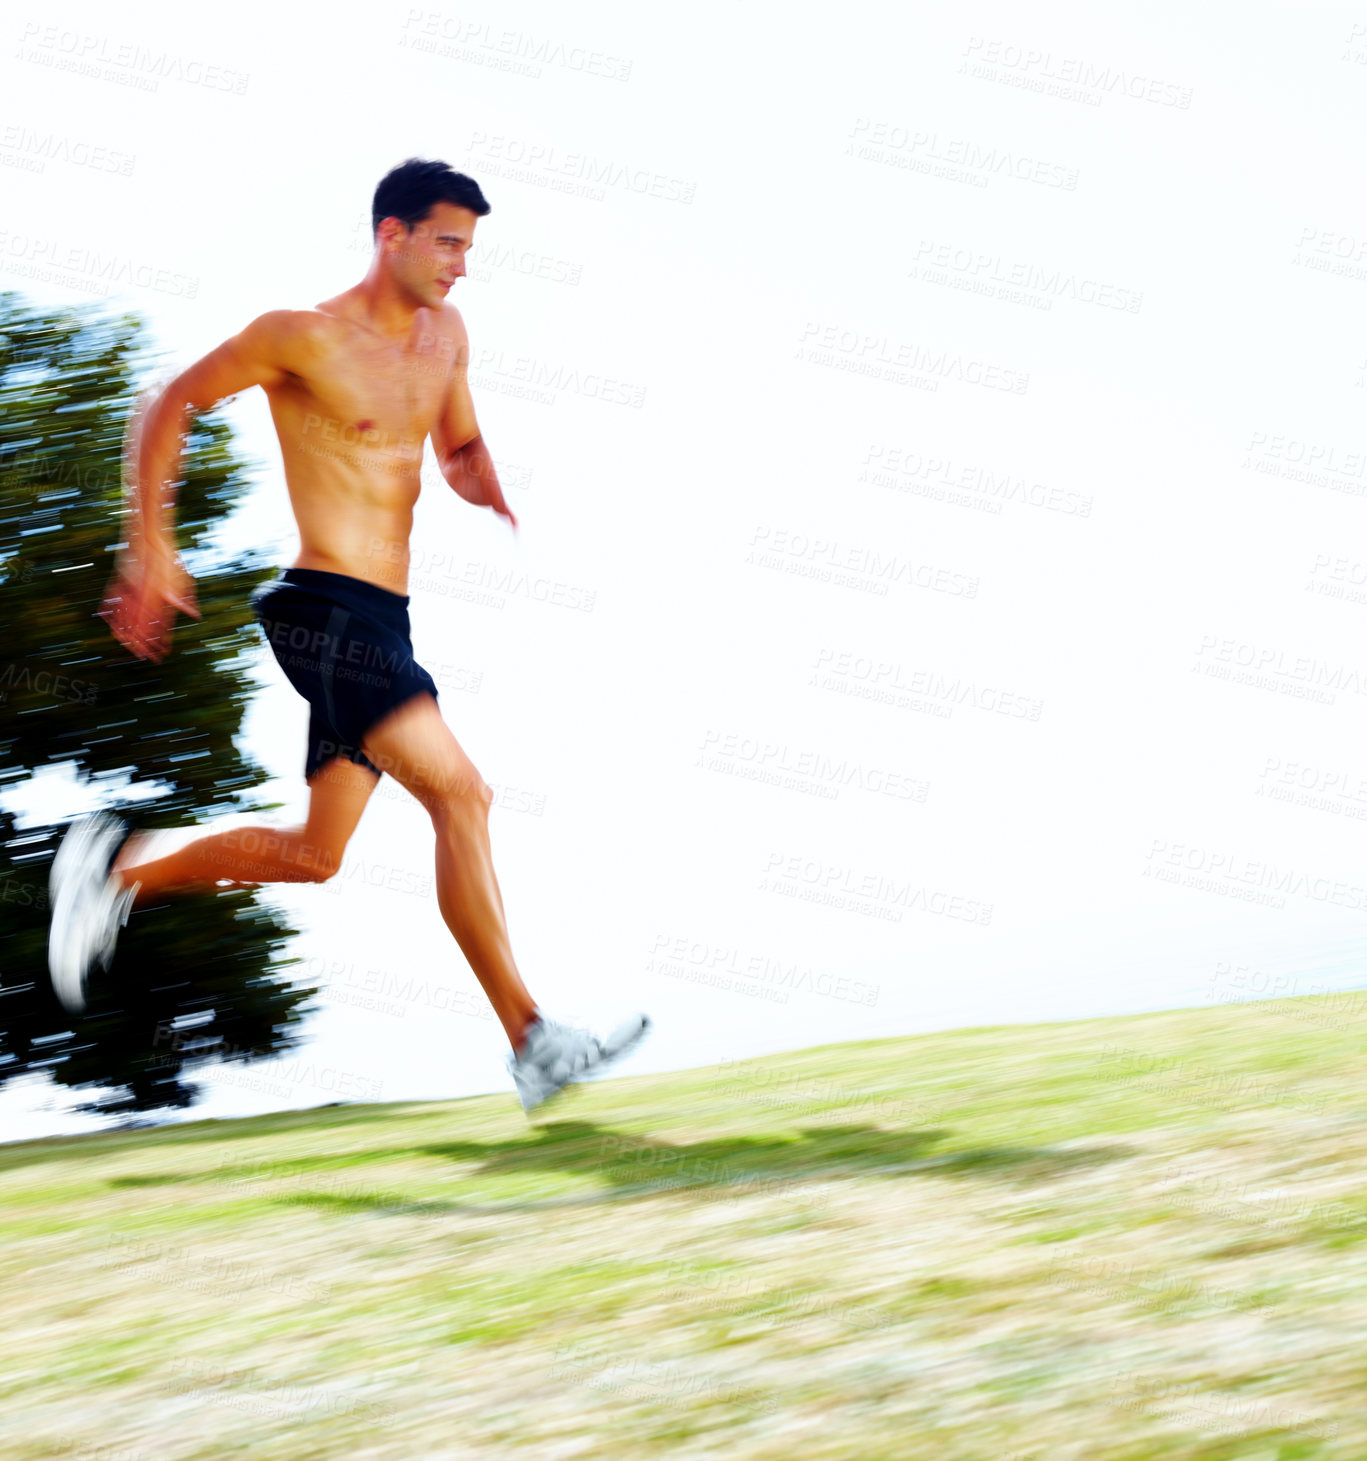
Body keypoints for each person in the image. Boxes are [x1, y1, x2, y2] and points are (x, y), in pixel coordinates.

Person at [46, 157, 650, 1113]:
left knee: (316, 854)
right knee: (463, 793)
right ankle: (533, 1039)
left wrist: (481, 478)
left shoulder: (447, 336)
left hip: (383, 617)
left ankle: (118, 871)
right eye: (447, 242)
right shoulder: (302, 337)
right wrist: (149, 549)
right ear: (391, 234)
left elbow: (451, 441)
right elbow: (169, 400)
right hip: (323, 609)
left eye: (469, 246)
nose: (461, 265)